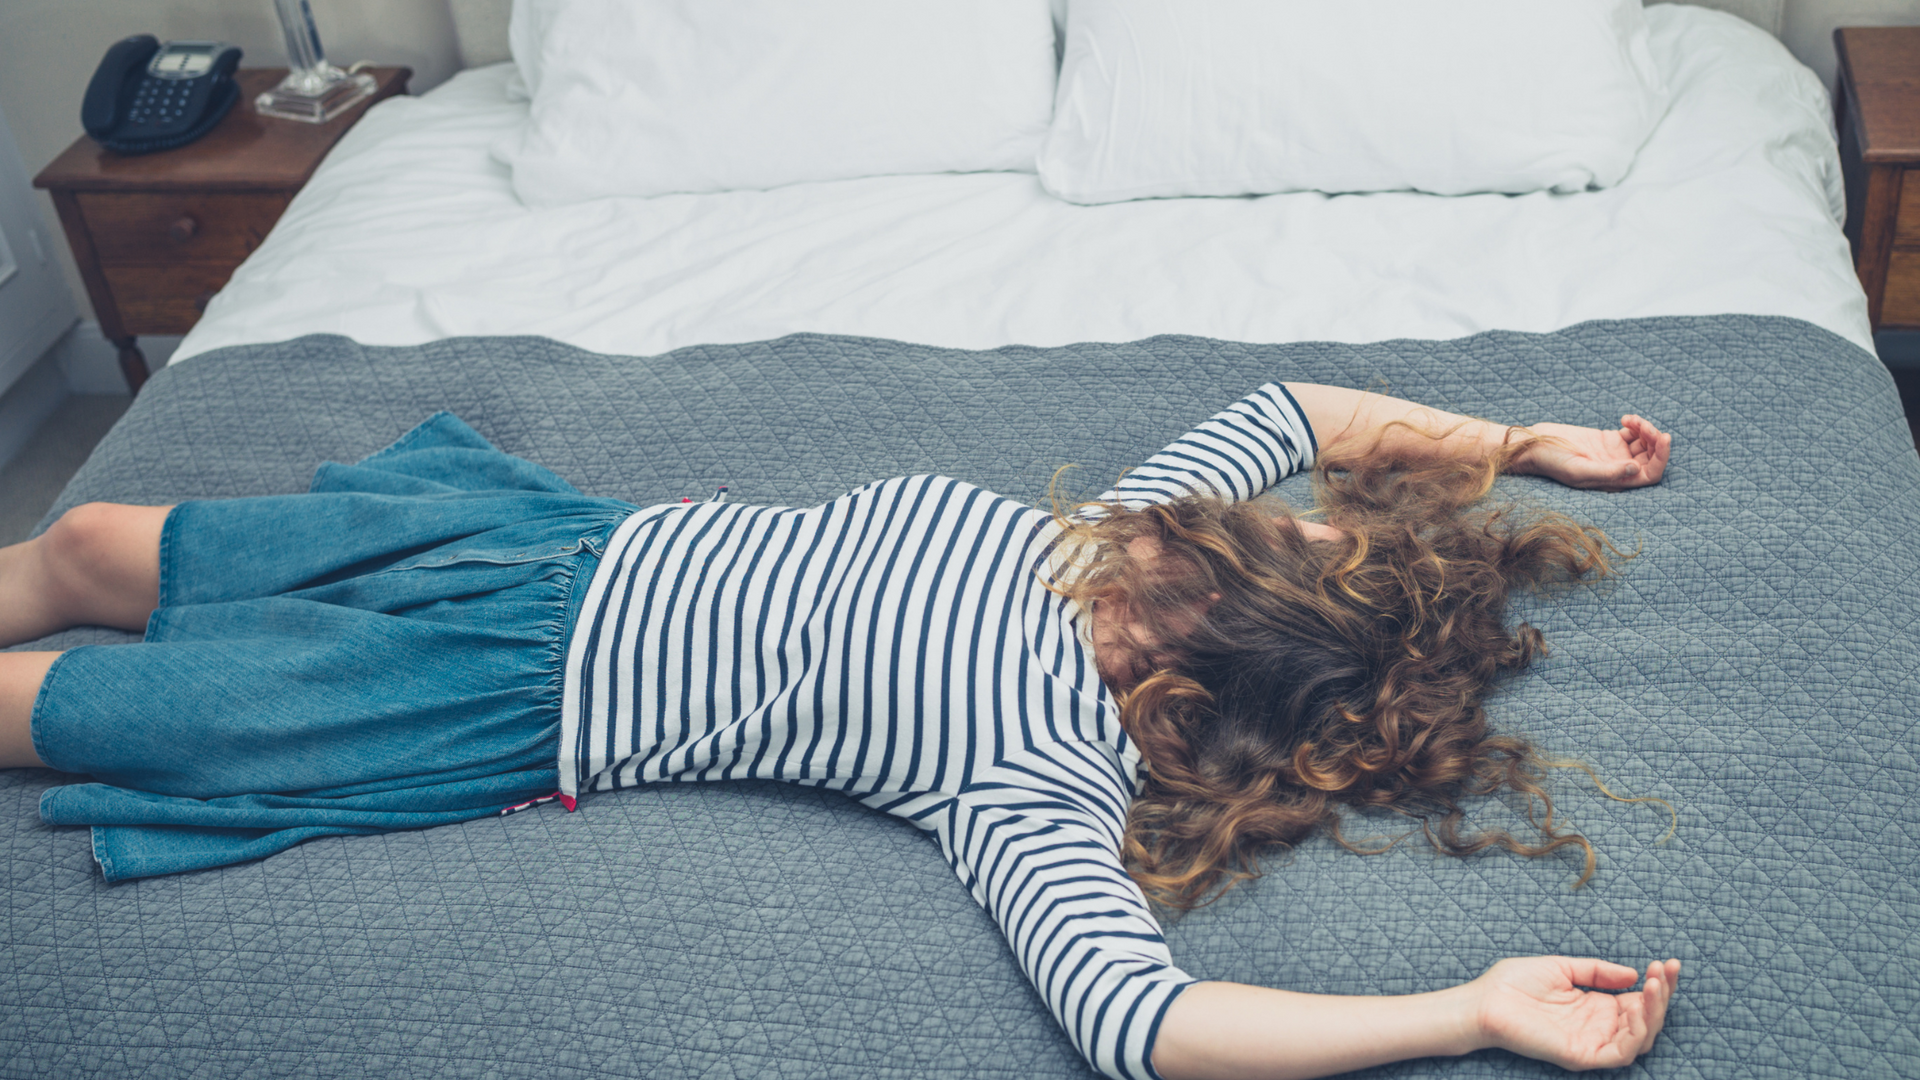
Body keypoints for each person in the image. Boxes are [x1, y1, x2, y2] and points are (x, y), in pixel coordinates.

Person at [0, 381, 1677, 1080]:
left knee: (65, 707)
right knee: (84, 548)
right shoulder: (1123, 531)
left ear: (1190, 668)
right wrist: (1521, 442)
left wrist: (1460, 1010)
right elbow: (1299, 408)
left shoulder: (1038, 766)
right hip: (545, 553)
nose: (1288, 506)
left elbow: (1136, 1021)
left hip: (492, 699)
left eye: (1280, 541)